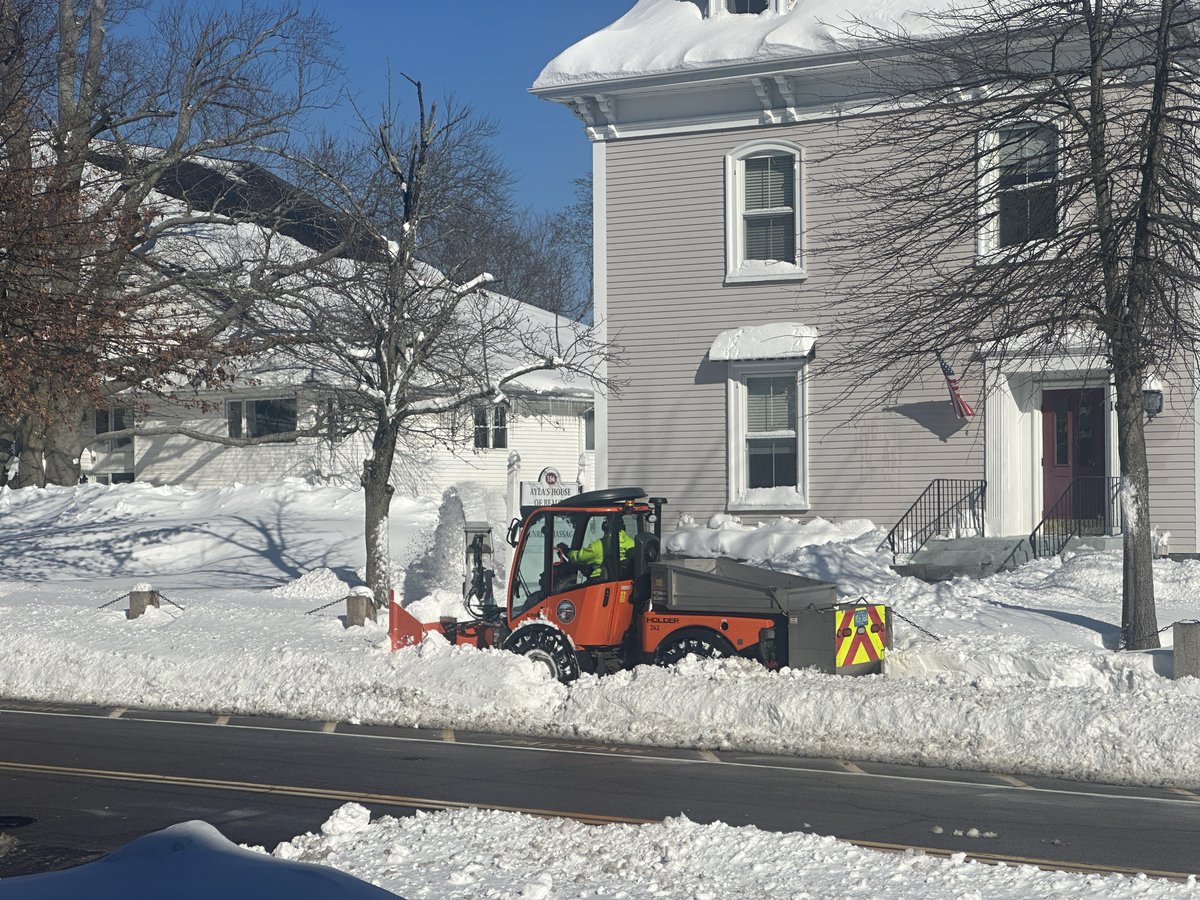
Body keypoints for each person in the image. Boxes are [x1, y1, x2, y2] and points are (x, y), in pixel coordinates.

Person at [557, 519, 634, 581]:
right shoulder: (632, 543)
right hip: (626, 580)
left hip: (600, 581)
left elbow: (579, 557)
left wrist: (566, 551)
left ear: (605, 527)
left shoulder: (601, 545)